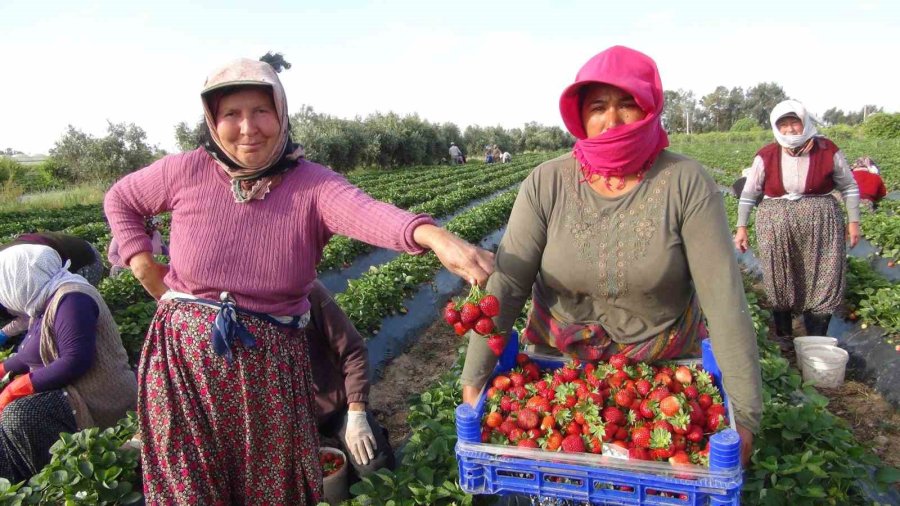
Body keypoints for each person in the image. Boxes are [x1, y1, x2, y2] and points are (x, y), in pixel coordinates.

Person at [103, 58, 493, 504]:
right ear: (213, 119)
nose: (247, 127)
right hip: (186, 369)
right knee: (190, 489)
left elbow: (365, 211)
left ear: (282, 113)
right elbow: (121, 198)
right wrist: (141, 262)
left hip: (268, 374)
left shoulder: (311, 184)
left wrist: (434, 235)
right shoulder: (185, 170)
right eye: (231, 113)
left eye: (261, 111)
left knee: (268, 490)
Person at [459, 46, 762, 466]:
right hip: (556, 372)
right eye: (598, 106)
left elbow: (724, 299)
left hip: (662, 377)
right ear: (580, 115)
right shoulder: (547, 182)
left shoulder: (685, 181)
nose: (612, 120)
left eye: (628, 105)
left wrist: (745, 415)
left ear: (652, 109)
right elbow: (508, 284)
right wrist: (473, 380)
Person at [0, 245, 137, 482]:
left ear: (19, 278)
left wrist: (15, 389)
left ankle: (49, 481)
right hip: (67, 391)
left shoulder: (74, 298)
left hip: (96, 398)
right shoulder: (42, 300)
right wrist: (4, 370)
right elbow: (27, 355)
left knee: (20, 415)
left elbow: (75, 360)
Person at [734, 100, 860, 340]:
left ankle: (816, 339)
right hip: (776, 221)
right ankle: (784, 337)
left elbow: (850, 187)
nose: (789, 129)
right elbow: (749, 193)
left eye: (794, 122)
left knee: (825, 274)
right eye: (783, 124)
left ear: (805, 123)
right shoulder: (766, 155)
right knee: (779, 275)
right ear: (775, 127)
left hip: (822, 222)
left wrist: (853, 221)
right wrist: (742, 227)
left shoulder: (827, 151)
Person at [307, 280, 394, 481]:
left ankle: (371, 433)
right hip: (288, 425)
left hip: (335, 405)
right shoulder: (229, 312)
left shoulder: (307, 290)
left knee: (375, 468)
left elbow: (352, 351)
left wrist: (357, 413)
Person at [0, 232, 104, 344]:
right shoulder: (10, 272)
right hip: (56, 249)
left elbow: (34, 309)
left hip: (84, 258)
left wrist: (5, 333)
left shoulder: (17, 282)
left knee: (66, 312)